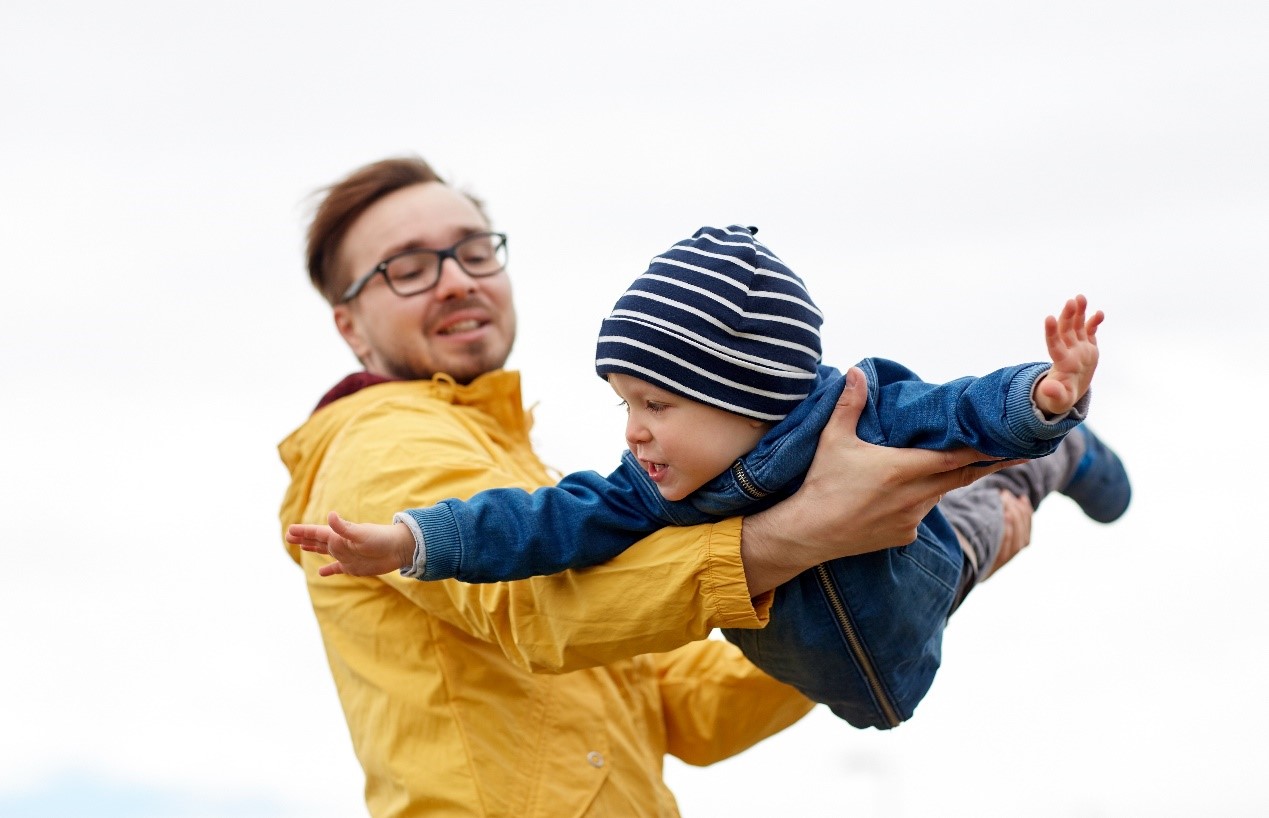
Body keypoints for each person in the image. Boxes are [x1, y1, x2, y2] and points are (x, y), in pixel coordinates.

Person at [279, 157, 1031, 818]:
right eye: (407, 268)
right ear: (351, 326)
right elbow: (536, 611)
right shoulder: (381, 439)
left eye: (474, 251)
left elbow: (688, 709)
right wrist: (806, 530)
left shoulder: (514, 462)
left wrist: (868, 587)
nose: (455, 279)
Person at [289, 224, 1132, 731]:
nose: (632, 430)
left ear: (746, 390)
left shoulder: (859, 409)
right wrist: (408, 539)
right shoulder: (643, 489)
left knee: (994, 490)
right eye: (623, 403)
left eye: (654, 402)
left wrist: (1044, 396)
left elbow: (958, 408)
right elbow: (531, 525)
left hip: (926, 572)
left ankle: (1062, 454)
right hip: (860, 666)